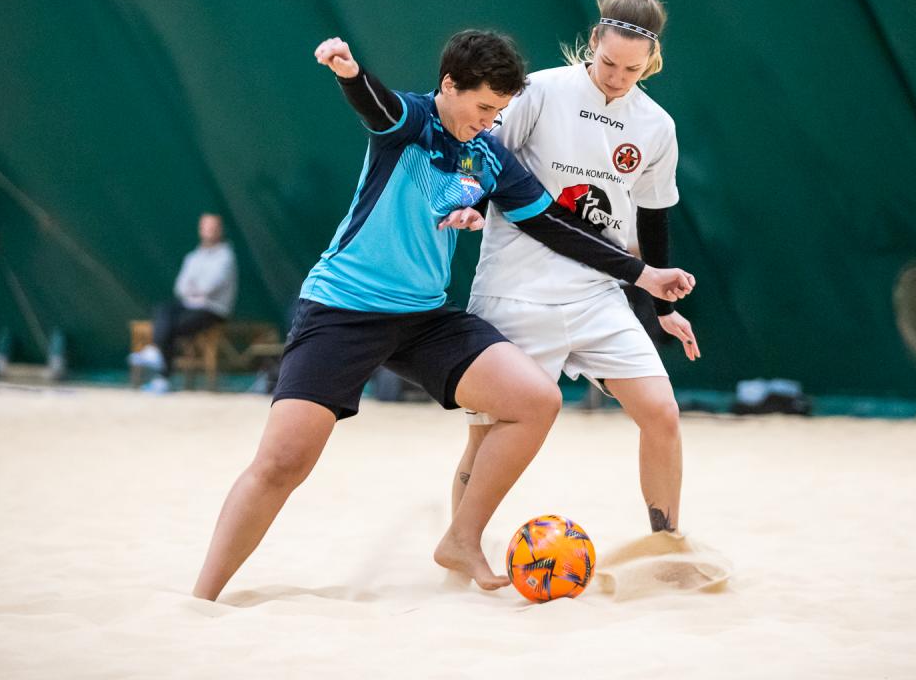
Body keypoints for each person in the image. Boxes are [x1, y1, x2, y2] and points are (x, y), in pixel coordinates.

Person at [192, 30, 695, 600]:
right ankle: (202, 600)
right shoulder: (411, 120)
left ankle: (461, 538)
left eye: (499, 111)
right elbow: (377, 106)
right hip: (344, 309)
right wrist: (350, 74)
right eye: (484, 108)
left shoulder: (488, 154)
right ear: (450, 86)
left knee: (536, 400)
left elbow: (551, 225)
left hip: (425, 319)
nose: (490, 121)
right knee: (283, 463)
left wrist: (643, 275)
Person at [448, 0, 697, 534]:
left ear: (650, 61)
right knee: (486, 435)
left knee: (661, 413)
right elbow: (481, 158)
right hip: (515, 290)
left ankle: (666, 544)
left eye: (632, 69)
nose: (617, 77)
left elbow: (653, 217)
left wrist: (662, 309)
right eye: (609, 63)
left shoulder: (656, 126)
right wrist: (468, 204)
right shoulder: (540, 91)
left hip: (597, 295)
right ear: (594, 41)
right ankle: (462, 549)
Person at [129, 213, 237, 393]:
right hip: (188, 306)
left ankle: (161, 372)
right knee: (163, 309)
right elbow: (180, 287)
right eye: (205, 227)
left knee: (170, 325)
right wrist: (195, 290)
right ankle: (159, 363)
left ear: (220, 230)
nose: (209, 231)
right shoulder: (193, 256)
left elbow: (209, 287)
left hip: (213, 310)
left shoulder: (226, 256)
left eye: (213, 227)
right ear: (200, 229)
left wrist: (194, 288)